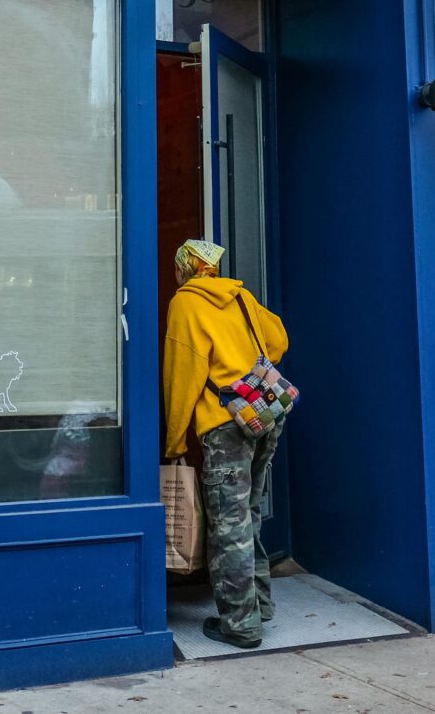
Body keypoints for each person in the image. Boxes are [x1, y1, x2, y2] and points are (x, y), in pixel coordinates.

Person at [162, 239, 290, 651]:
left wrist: (175, 439)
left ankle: (239, 624)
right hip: (265, 414)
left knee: (228, 524)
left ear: (183, 268)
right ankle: (260, 606)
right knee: (248, 514)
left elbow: (182, 377)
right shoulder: (239, 295)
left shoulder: (186, 303)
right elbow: (279, 340)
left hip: (225, 425)